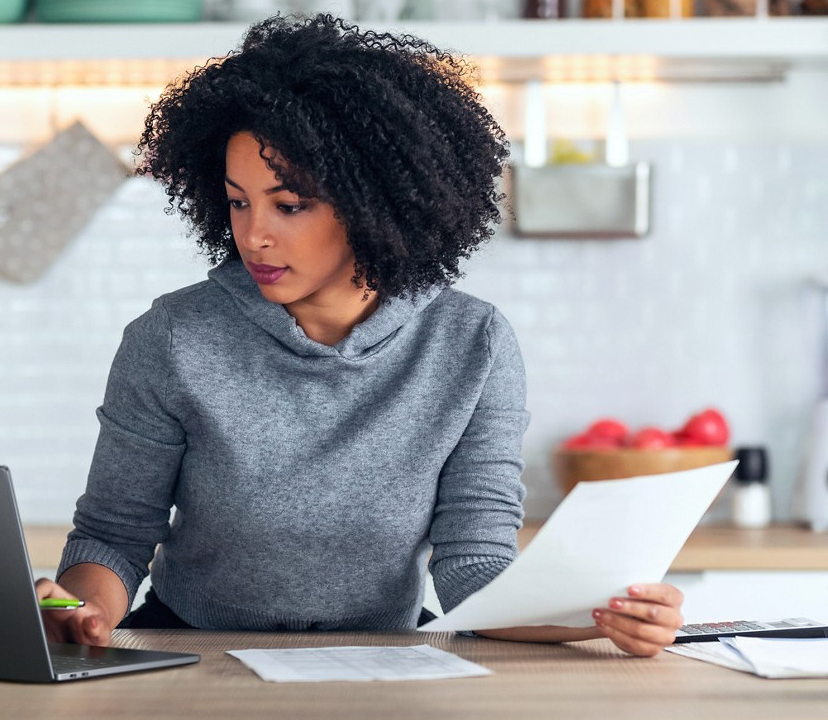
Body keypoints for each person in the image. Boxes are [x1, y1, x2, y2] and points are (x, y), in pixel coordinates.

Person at [35, 14, 684, 658]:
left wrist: (602, 616)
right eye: (238, 201)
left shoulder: (472, 345)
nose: (254, 233)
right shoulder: (172, 338)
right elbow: (113, 538)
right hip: (192, 651)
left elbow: (474, 569)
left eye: (288, 205)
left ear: (377, 202)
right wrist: (79, 610)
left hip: (387, 656)